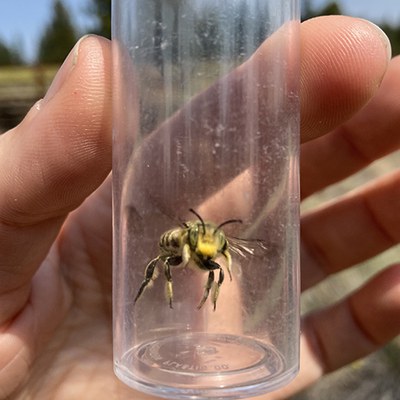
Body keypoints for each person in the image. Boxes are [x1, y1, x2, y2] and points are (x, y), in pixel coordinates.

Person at [0, 15, 399, 400]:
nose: (212, 243)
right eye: (208, 236)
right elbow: (186, 239)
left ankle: (200, 299)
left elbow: (224, 250)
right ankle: (151, 291)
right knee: (160, 266)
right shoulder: (187, 238)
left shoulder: (215, 242)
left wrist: (219, 266)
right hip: (168, 250)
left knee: (217, 272)